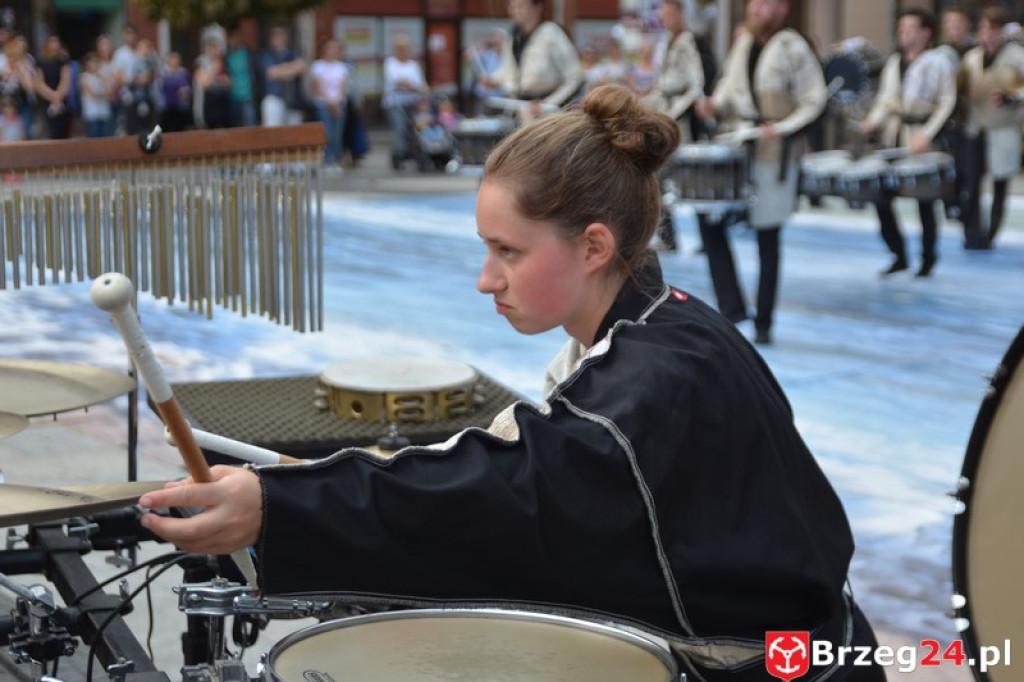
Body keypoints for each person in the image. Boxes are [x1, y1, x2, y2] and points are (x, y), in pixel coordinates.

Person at [138, 83, 884, 682]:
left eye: (509, 251)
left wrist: (279, 508)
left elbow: (510, 488)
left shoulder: (651, 382)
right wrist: (315, 486)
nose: (486, 278)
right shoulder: (666, 318)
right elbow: (528, 457)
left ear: (595, 246)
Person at [695, 0, 825, 345]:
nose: (755, 9)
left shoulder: (793, 46)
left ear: (782, 9)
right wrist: (714, 104)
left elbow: (814, 100)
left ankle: (764, 322)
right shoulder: (743, 44)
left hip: (775, 151)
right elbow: (729, 88)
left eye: (764, 3)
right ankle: (732, 307)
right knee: (709, 220)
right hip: (741, 147)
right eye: (753, 3)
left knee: (768, 235)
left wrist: (784, 127)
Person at [861, 8, 955, 277]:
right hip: (895, 138)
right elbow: (886, 100)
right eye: (901, 27)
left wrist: (928, 133)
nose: (904, 32)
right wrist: (874, 120)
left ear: (926, 32)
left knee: (925, 202)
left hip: (923, 137)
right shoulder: (894, 63)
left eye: (910, 27)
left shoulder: (938, 62)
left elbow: (947, 102)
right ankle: (898, 254)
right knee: (880, 197)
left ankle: (928, 258)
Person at [960, 4, 1024, 250]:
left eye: (992, 28)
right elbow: (960, 91)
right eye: (983, 27)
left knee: (999, 179)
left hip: (1003, 125)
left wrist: (1011, 97)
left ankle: (991, 233)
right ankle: (972, 231)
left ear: (1001, 31)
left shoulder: (1016, 56)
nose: (987, 33)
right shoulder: (972, 58)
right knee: (972, 179)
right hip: (976, 125)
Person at [644, 0, 705, 253]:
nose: (665, 18)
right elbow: (661, 87)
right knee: (660, 179)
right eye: (662, 14)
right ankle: (669, 237)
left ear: (680, 13)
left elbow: (695, 85)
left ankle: (706, 238)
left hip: (681, 124)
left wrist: (673, 113)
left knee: (693, 183)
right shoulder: (667, 43)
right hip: (665, 117)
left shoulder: (687, 42)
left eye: (669, 13)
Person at [493, 0, 583, 120]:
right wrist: (494, 80)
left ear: (537, 7)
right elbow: (509, 70)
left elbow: (575, 77)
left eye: (520, 6)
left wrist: (549, 103)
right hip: (522, 109)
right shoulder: (514, 36)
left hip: (549, 112)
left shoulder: (551, 33)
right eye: (511, 6)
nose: (514, 11)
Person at [936, 6, 976, 222]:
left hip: (968, 118)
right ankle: (949, 204)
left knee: (967, 166)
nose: (954, 30)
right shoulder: (938, 54)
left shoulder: (974, 53)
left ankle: (966, 206)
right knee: (946, 164)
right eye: (949, 25)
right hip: (945, 119)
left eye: (958, 25)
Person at [383, 34, 427, 169]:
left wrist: (420, 89)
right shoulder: (390, 63)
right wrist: (413, 86)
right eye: (400, 48)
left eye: (405, 48)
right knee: (400, 128)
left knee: (415, 129)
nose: (403, 51)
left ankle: (417, 153)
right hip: (396, 103)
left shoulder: (414, 65)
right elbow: (397, 81)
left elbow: (420, 84)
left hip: (412, 102)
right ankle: (399, 156)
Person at [310, 38, 349, 170]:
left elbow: (344, 88)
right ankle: (326, 160)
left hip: (339, 105)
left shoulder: (342, 66)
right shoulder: (317, 66)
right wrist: (331, 103)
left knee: (337, 134)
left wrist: (339, 102)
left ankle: (336, 161)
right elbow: (317, 87)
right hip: (323, 104)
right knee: (327, 133)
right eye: (329, 48)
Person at [260, 25, 307, 127]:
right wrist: (292, 69)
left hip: (293, 101)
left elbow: (302, 67)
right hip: (275, 98)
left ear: (286, 37)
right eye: (274, 36)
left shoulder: (293, 53)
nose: (277, 38)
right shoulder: (267, 54)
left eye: (280, 35)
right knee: (273, 135)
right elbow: (272, 73)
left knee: (294, 137)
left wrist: (281, 68)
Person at [34, 35, 72, 140]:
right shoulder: (41, 62)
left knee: (64, 131)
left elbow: (65, 80)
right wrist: (53, 96)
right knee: (51, 131)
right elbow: (39, 83)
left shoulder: (64, 61)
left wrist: (58, 96)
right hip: (47, 100)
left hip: (62, 100)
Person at [225, 24, 257, 127]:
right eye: (232, 37)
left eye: (236, 36)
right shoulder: (227, 56)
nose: (234, 39)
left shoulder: (248, 53)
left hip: (247, 97)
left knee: (250, 129)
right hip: (232, 98)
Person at [79, 51, 113, 138]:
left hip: (104, 112)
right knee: (94, 137)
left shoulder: (102, 76)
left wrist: (102, 78)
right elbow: (92, 93)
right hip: (92, 113)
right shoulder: (84, 77)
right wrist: (104, 94)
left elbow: (109, 91)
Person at [159, 51, 192, 133]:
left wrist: (184, 92)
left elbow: (189, 87)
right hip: (166, 106)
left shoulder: (184, 73)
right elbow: (160, 87)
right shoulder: (163, 73)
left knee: (180, 129)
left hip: (180, 106)